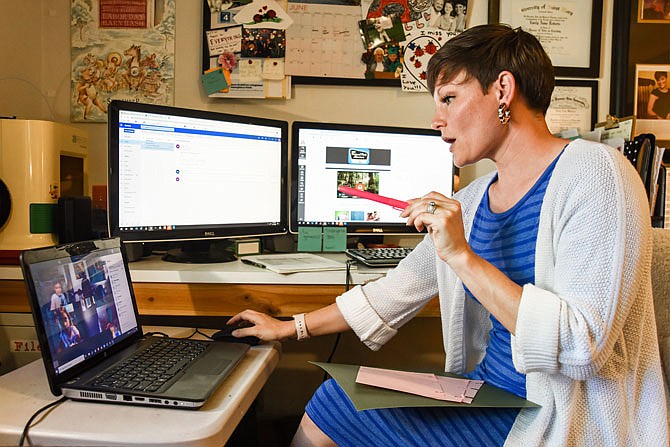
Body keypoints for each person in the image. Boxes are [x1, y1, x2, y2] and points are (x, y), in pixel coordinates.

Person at [228, 24, 668, 446]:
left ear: (502, 90)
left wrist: (461, 256)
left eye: (449, 98)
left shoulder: (598, 173)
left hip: (557, 412)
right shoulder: (475, 199)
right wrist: (289, 328)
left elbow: (582, 346)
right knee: (337, 394)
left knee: (338, 406)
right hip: (488, 391)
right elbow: (392, 293)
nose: (436, 119)